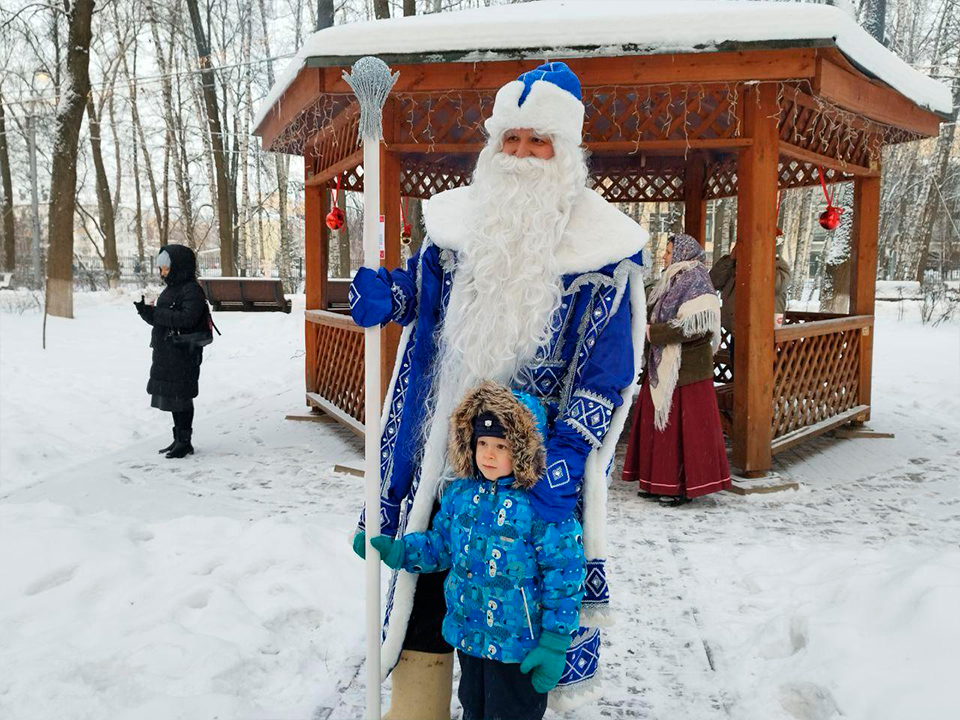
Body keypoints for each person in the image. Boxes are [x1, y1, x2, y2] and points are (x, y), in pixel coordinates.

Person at [348, 61, 647, 715]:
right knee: (426, 599)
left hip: (531, 472)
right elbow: (426, 299)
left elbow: (609, 369)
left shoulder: (604, 254)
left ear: (564, 152)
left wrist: (564, 457)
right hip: (449, 461)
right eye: (511, 139)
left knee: (520, 617)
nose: (521, 154)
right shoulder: (455, 230)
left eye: (537, 141)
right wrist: (391, 293)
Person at [369, 382, 585, 720]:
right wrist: (400, 552)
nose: (487, 454)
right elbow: (440, 546)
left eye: (501, 446)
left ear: (524, 450)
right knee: (474, 707)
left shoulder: (542, 510)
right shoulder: (460, 496)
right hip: (471, 635)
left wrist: (555, 643)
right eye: (482, 443)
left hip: (518, 646)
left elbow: (565, 577)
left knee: (509, 713)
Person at [622, 234, 731, 505]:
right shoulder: (673, 279)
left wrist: (653, 333)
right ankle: (657, 481)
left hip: (686, 372)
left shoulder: (696, 280)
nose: (664, 256)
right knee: (658, 429)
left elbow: (695, 326)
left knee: (683, 432)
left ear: (682, 253)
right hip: (665, 367)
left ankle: (680, 487)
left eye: (669, 252)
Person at [134, 245, 210, 459]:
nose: (162, 273)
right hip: (167, 350)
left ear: (179, 266)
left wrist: (157, 313)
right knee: (174, 397)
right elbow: (163, 319)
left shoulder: (191, 290)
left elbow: (187, 319)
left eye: (166, 268)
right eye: (161, 268)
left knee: (182, 397)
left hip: (184, 351)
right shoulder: (172, 288)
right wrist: (146, 312)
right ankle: (178, 439)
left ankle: (185, 442)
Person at [709, 242, 793, 372]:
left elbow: (775, 285)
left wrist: (758, 262)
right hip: (737, 332)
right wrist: (730, 259)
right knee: (738, 374)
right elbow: (713, 281)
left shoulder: (777, 266)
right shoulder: (733, 266)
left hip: (764, 336)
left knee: (760, 375)